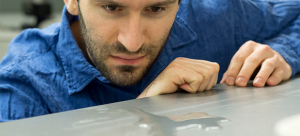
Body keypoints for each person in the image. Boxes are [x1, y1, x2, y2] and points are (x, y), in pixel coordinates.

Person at [0, 0, 299, 122]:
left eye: (156, 9)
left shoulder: (213, 17)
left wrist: (284, 51)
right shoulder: (25, 85)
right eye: (112, 6)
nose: (133, 42)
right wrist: (142, 118)